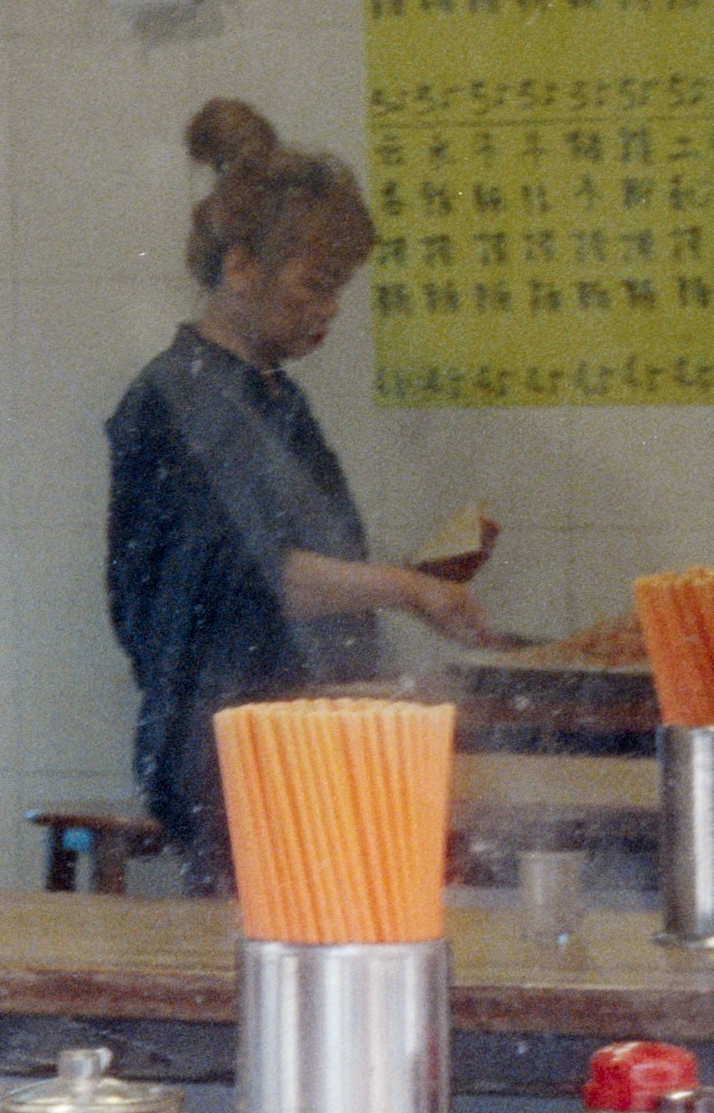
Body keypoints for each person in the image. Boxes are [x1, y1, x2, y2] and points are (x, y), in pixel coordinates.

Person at [104, 99, 496, 888]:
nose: (327, 312)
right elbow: (259, 577)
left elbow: (313, 561)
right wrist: (407, 588)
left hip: (302, 735)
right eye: (315, 285)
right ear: (241, 267)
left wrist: (413, 585)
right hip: (227, 755)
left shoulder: (272, 394)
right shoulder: (173, 400)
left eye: (337, 290)